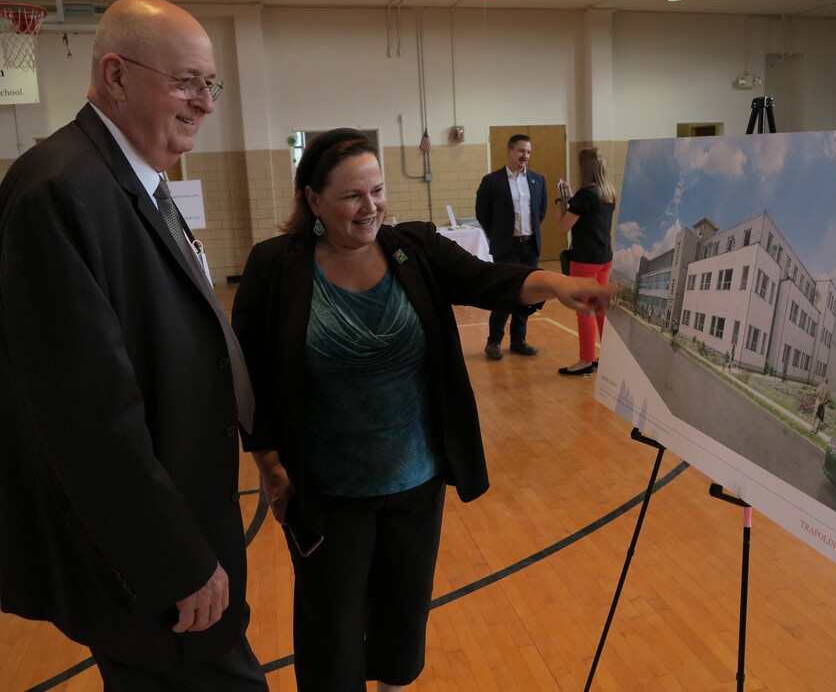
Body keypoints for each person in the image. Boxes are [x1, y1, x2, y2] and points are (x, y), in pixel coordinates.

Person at [231, 129, 609, 692]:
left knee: (402, 620)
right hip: (327, 492)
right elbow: (248, 376)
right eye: (352, 196)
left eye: (378, 190)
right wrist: (269, 465)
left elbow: (488, 279)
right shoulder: (275, 267)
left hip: (415, 483)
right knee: (331, 630)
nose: (371, 207)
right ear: (312, 199)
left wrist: (555, 282)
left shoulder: (415, 248)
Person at [0, 0, 266, 689]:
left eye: (211, 85)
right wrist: (174, 559)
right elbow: (87, 420)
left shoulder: (131, 181)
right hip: (151, 565)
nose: (204, 103)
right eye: (187, 81)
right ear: (115, 76)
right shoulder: (59, 191)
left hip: (183, 525)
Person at [475, 133, 547, 360]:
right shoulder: (492, 181)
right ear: (509, 151)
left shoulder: (537, 180)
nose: (525, 155)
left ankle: (518, 340)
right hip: (507, 248)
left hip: (530, 247)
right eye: (520, 151)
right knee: (504, 295)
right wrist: (498, 235)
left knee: (528, 296)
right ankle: (493, 341)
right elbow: (482, 213)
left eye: (528, 152)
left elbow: (540, 211)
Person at [554, 147, 616, 376]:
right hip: (604, 257)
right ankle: (606, 355)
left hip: (585, 260)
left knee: (585, 310)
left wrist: (561, 201)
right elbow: (587, 218)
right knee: (600, 308)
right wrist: (572, 199)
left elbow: (563, 226)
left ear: (584, 169)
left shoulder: (585, 195)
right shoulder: (608, 193)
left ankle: (586, 361)